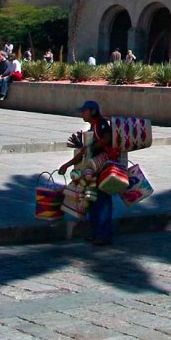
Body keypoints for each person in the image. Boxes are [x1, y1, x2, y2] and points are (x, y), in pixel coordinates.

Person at [58, 100, 116, 246]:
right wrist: (66, 165)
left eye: (84, 111)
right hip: (93, 171)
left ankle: (103, 235)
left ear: (93, 111)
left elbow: (107, 138)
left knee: (102, 201)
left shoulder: (101, 123)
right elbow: (84, 151)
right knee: (92, 200)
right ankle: (97, 233)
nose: (82, 113)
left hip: (102, 169)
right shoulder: (93, 127)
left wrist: (92, 147)